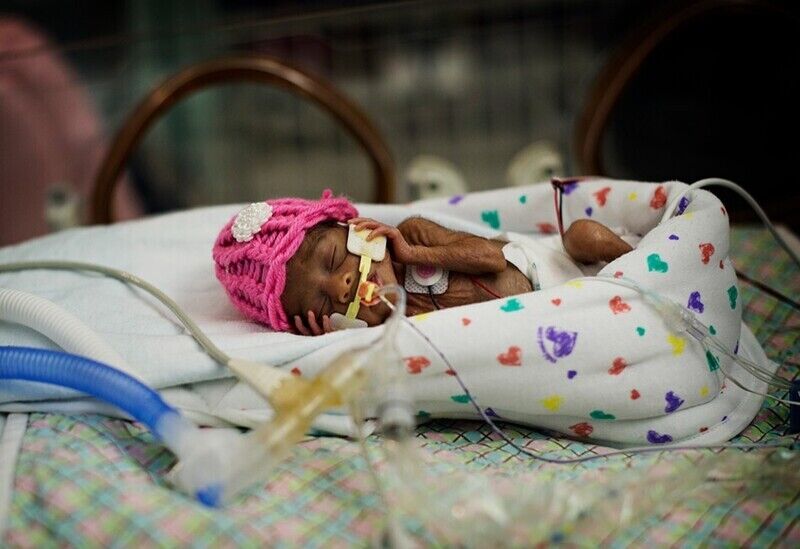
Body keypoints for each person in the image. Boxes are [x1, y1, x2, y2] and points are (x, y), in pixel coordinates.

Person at [213, 190, 632, 335]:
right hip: (558, 314)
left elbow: (490, 258)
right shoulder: (387, 328)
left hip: (558, 266)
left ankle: (636, 263)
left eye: (334, 259)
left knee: (584, 235)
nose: (341, 286)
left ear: (355, 228)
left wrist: (415, 255)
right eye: (325, 303)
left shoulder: (413, 235)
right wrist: (330, 338)